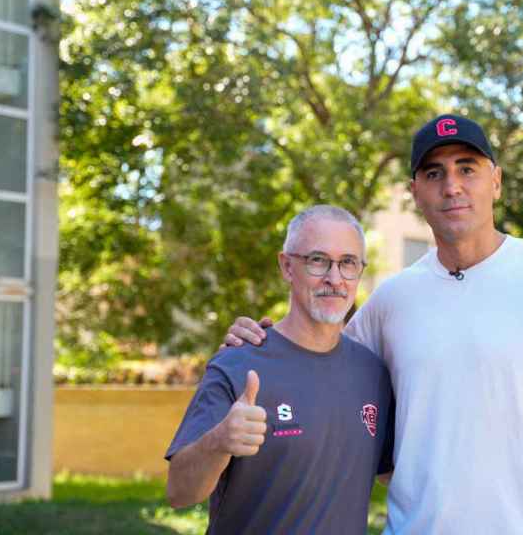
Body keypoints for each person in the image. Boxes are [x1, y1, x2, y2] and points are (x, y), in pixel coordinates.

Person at [225, 114, 523, 533]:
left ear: (496, 181)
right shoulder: (392, 300)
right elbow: (320, 367)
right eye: (434, 173)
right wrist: (259, 344)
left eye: (467, 168)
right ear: (415, 192)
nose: (452, 186)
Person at [166, 205, 394, 534]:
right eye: (318, 260)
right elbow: (179, 492)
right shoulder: (237, 364)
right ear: (287, 266)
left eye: (348, 263)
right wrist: (219, 441)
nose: (334, 278)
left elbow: (394, 474)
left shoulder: (373, 373)